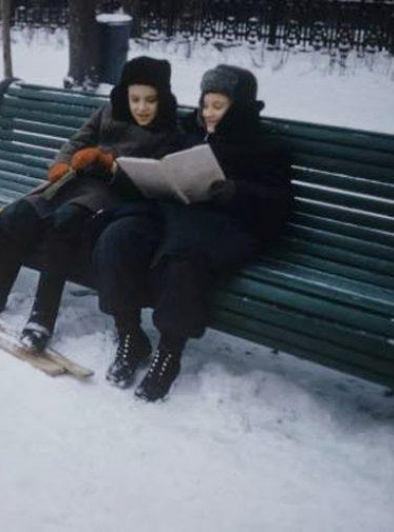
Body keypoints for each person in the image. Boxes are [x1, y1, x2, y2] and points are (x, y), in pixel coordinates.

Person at [0, 56, 181, 351]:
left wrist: (109, 163)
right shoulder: (109, 110)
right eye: (135, 99)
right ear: (125, 94)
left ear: (162, 99)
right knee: (15, 214)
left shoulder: (169, 132)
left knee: (63, 223)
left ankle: (42, 318)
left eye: (150, 100)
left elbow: (152, 179)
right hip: (73, 183)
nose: (141, 107)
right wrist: (62, 164)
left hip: (113, 195)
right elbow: (77, 140)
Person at [93, 64, 294, 401]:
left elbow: (280, 205)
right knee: (119, 237)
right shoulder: (186, 130)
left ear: (239, 106)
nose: (209, 114)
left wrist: (235, 191)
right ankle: (129, 334)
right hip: (174, 210)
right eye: (205, 105)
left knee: (185, 255)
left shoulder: (263, 145)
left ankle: (169, 353)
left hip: (227, 225)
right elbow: (160, 169)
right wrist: (140, 176)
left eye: (219, 106)